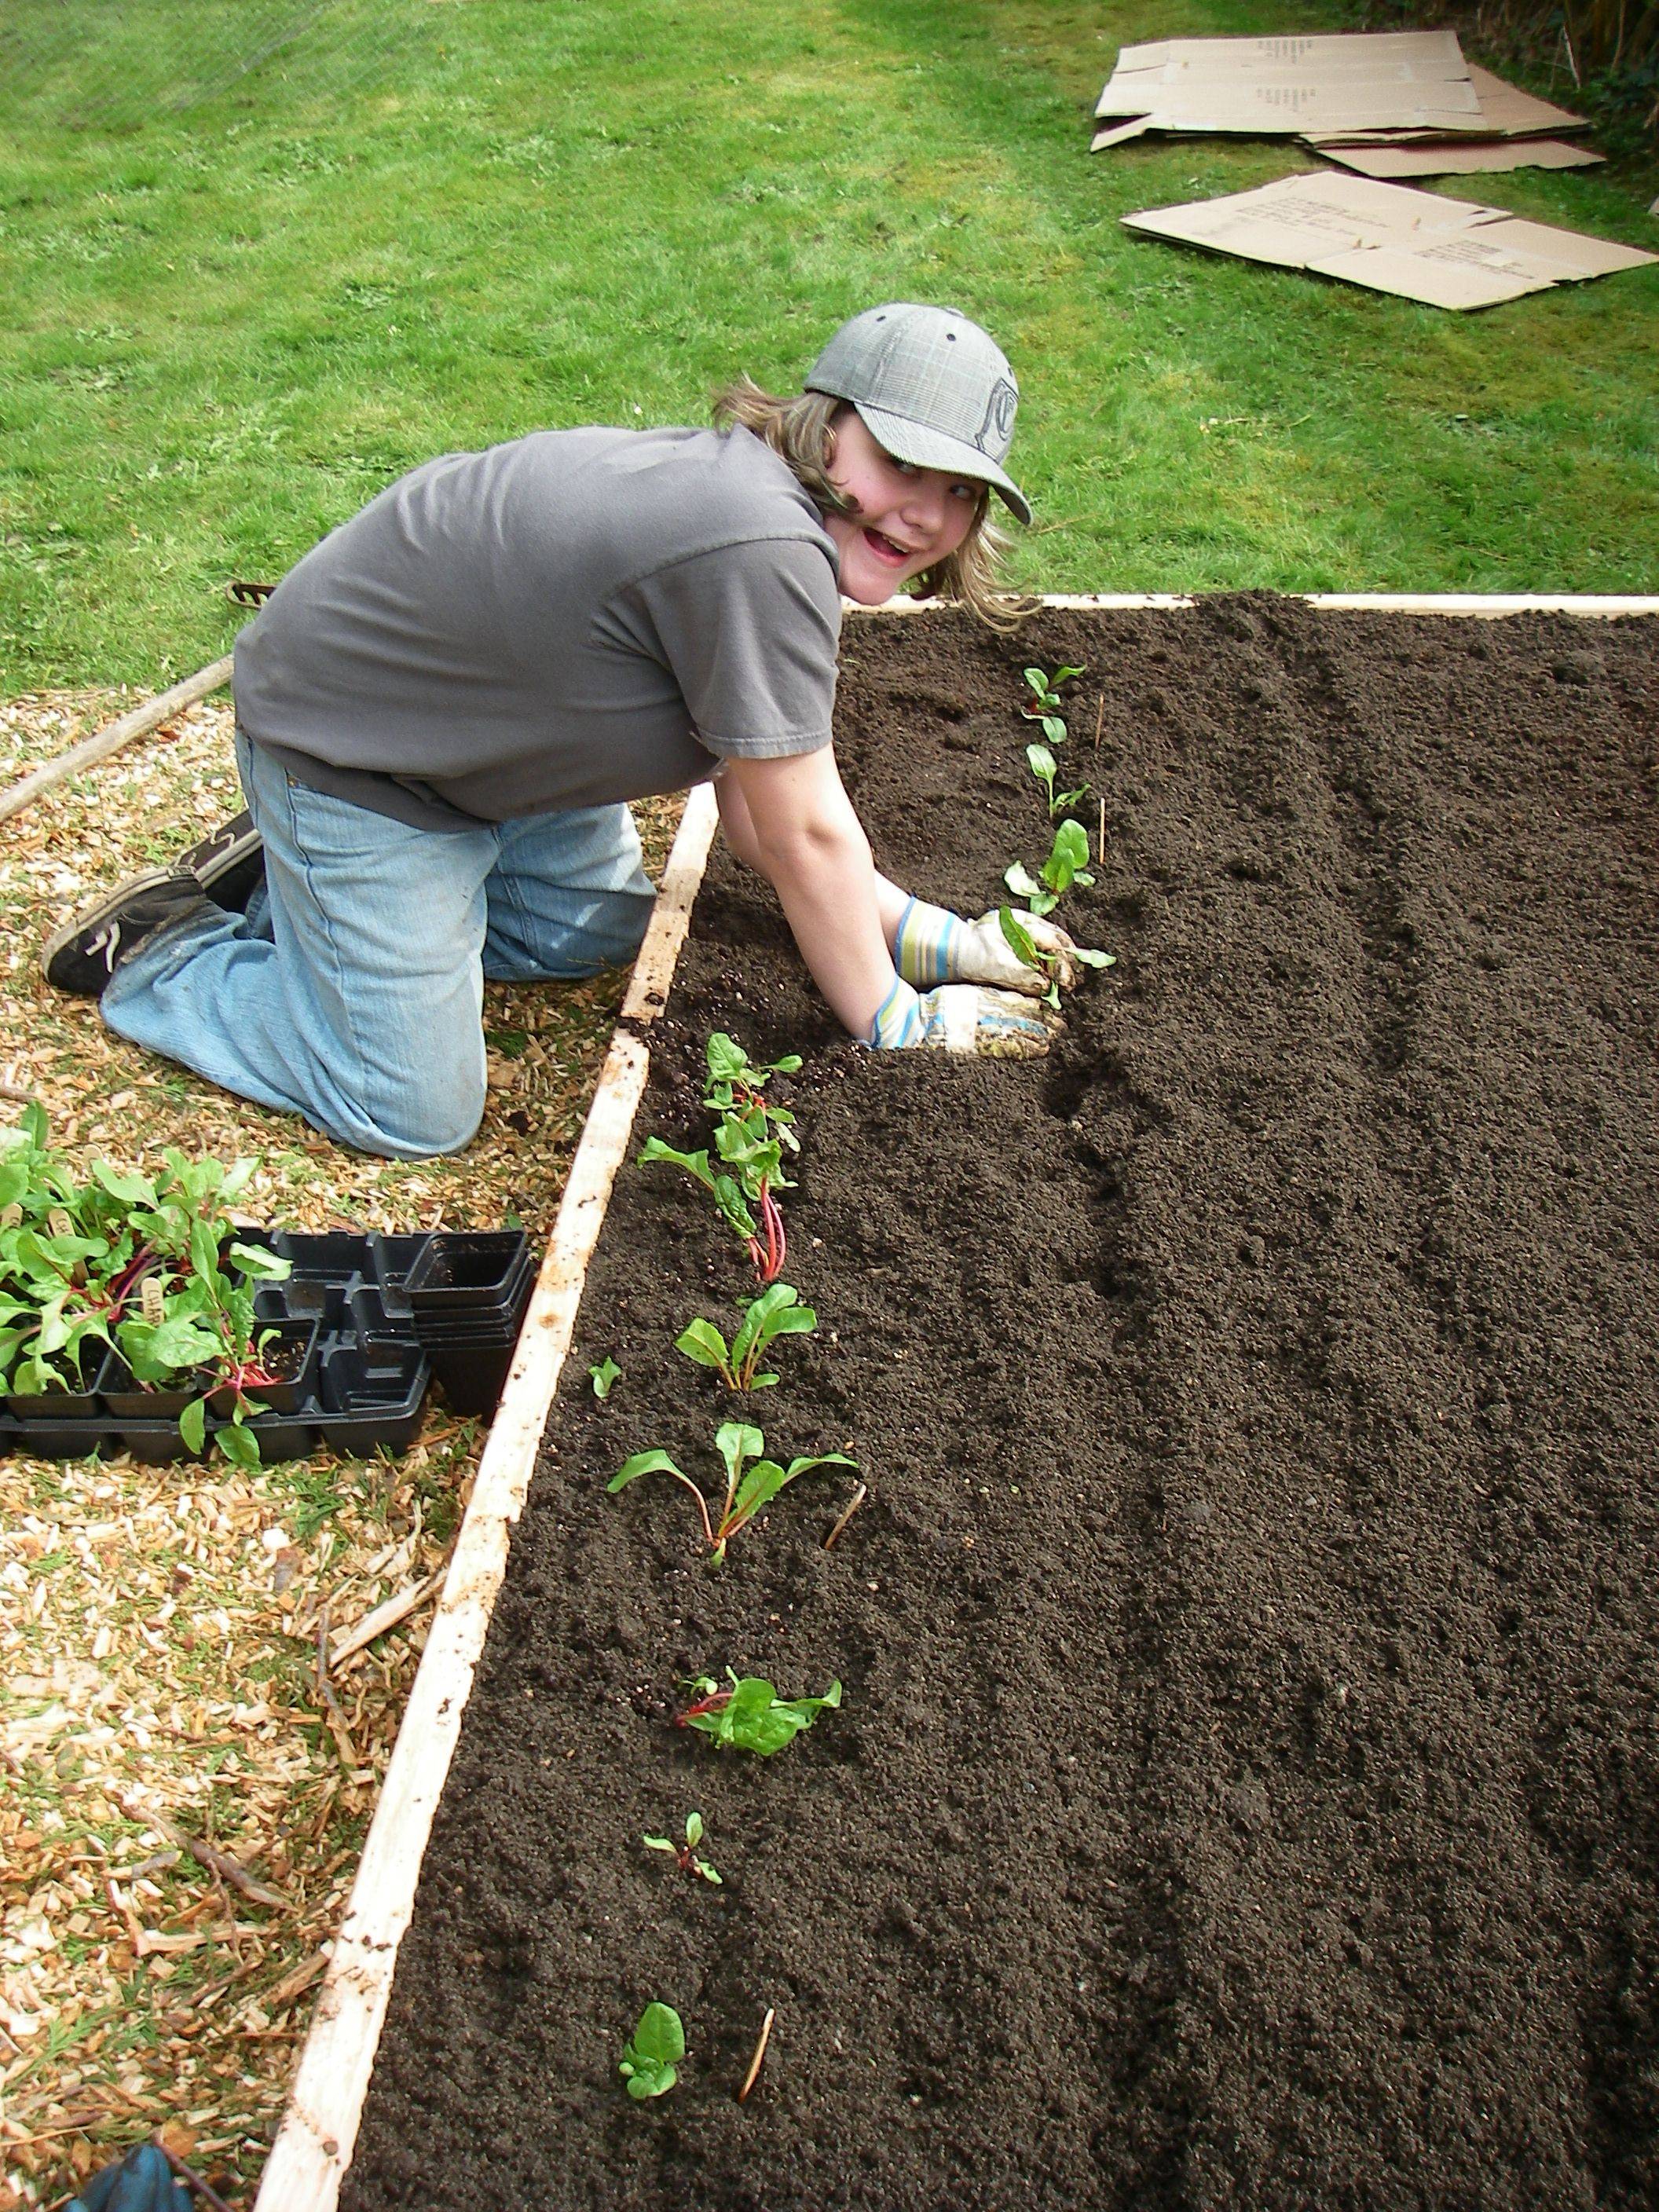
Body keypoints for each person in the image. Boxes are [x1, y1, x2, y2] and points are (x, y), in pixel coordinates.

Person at [43, 302, 1088, 1161]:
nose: (924, 515)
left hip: (481, 750)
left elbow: (765, 821)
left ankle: (311, 902)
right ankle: (169, 953)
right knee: (408, 1108)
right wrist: (896, 1022)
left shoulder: (760, 512)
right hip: (359, 760)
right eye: (902, 464)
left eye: (960, 493)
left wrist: (940, 941)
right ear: (828, 425)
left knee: (583, 937)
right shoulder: (762, 547)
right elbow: (807, 836)